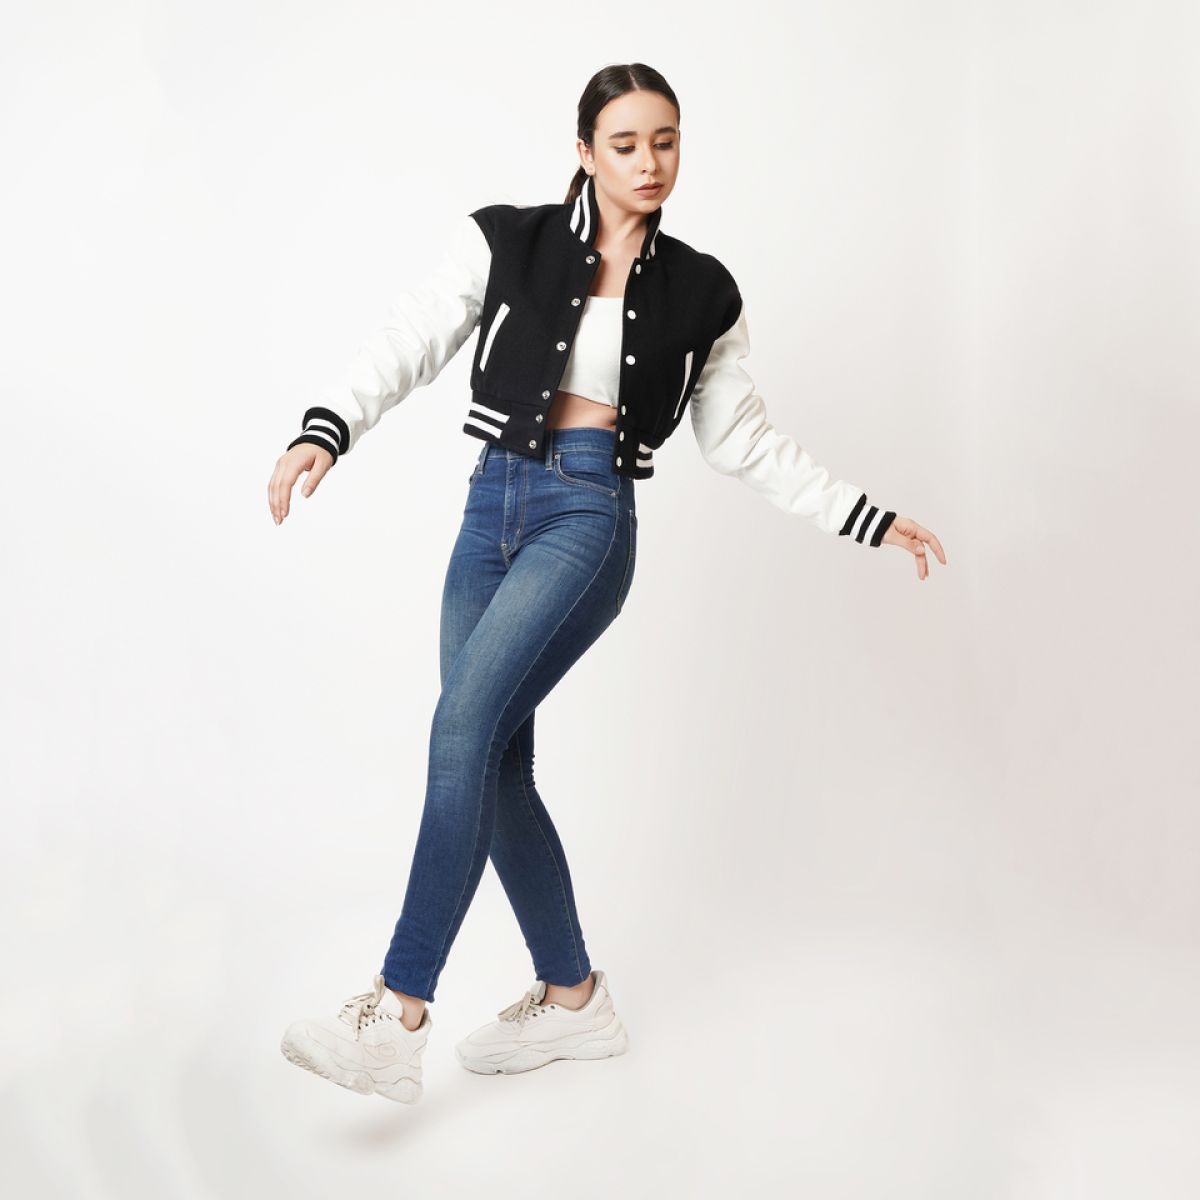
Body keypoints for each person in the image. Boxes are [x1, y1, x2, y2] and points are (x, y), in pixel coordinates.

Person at [269, 63, 947, 1105]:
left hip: (587, 515)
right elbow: (413, 338)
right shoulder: (507, 240)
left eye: (665, 141)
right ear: (585, 151)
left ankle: (396, 1014)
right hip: (488, 505)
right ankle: (575, 998)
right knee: (494, 762)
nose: (649, 161)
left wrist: (866, 515)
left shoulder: (703, 293)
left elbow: (741, 439)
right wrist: (328, 428)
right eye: (625, 143)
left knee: (461, 730)